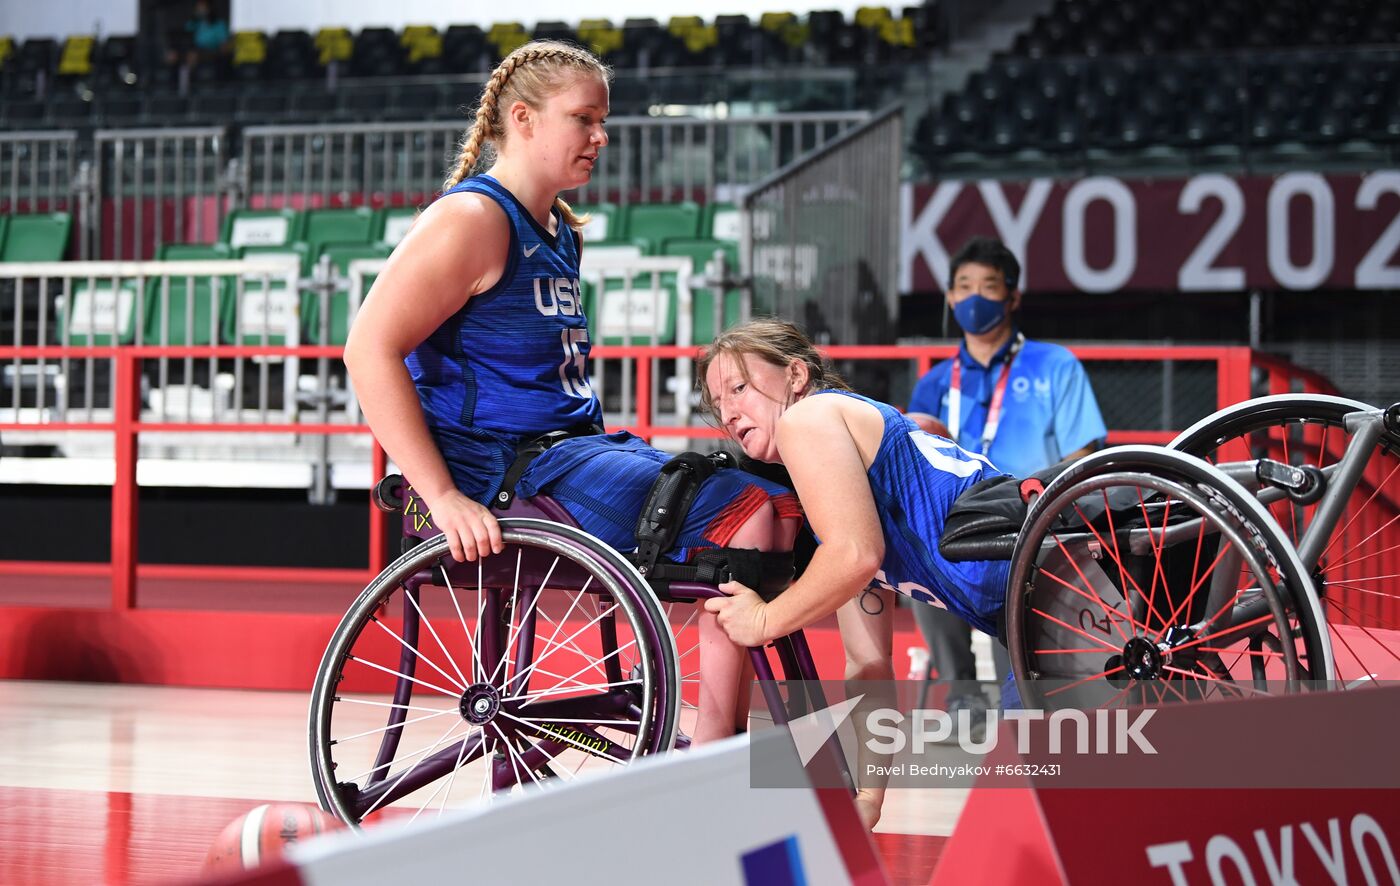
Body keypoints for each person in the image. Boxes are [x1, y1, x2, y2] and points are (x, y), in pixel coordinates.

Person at [343, 40, 801, 744]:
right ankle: (714, 754)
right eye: (584, 119)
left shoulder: (559, 230)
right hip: (501, 471)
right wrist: (442, 496)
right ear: (523, 119)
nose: (600, 136)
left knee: (783, 505)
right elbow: (368, 351)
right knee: (746, 514)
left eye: (602, 121)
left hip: (567, 453)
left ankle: (725, 744)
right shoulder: (472, 220)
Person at [698, 318, 1012, 831]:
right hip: (1041, 611)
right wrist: (869, 796)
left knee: (1025, 818)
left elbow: (855, 554)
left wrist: (763, 621)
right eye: (717, 403)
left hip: (1062, 587)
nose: (728, 412)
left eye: (738, 388)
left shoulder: (809, 418)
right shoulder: (843, 504)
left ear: (796, 374)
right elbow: (869, 664)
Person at [904, 236, 1107, 737]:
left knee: (1012, 574)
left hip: (1034, 516)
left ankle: (1017, 704)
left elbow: (1085, 453)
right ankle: (964, 698)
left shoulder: (1054, 365)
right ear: (950, 297)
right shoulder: (934, 384)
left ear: (1012, 297)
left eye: (989, 286)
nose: (975, 297)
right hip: (959, 519)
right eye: (964, 286)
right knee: (920, 554)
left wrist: (1032, 493)